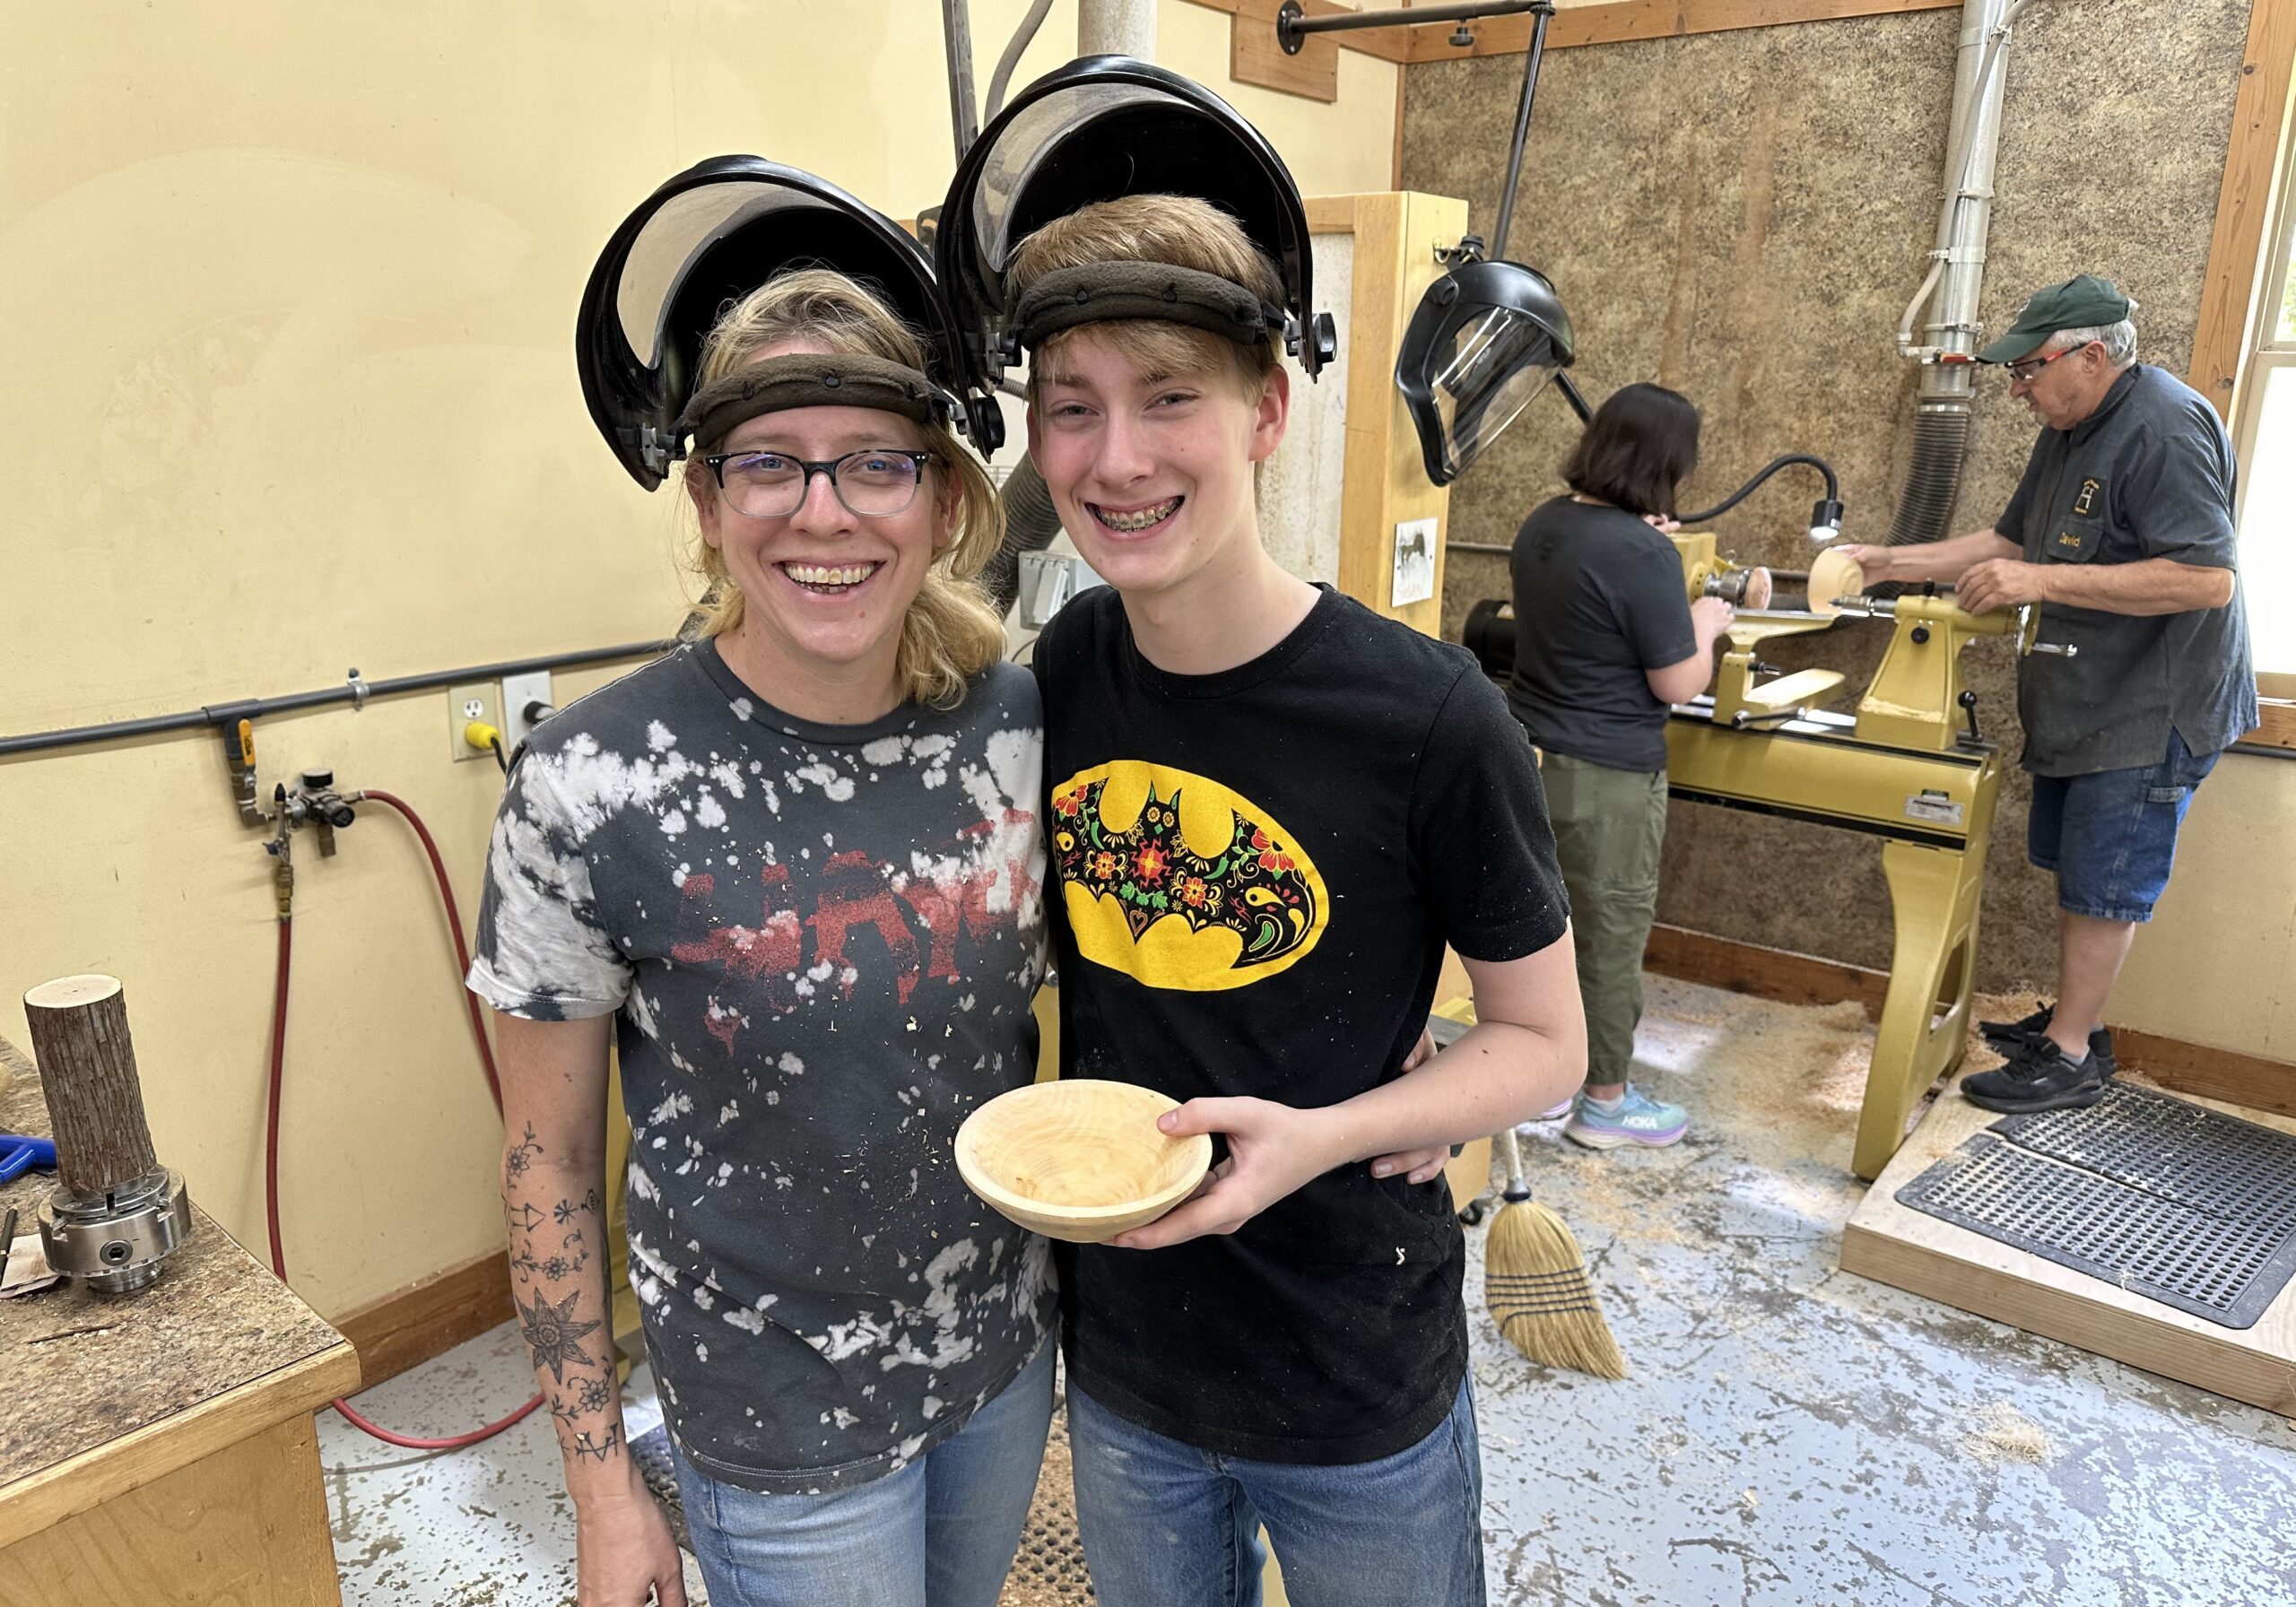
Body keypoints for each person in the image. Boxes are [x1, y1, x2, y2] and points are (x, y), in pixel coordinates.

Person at [1010, 189, 1587, 1606]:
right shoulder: (1073, 664)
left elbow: (1544, 1045)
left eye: (1168, 398)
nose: (1119, 456)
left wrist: (1331, 1134)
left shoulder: (1429, 717)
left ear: (1268, 410)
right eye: (1072, 407)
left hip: (1349, 1367)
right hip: (1130, 1356)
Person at [469, 257, 1057, 1606]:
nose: (823, 511)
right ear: (705, 498)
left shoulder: (1019, 728)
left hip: (1001, 1363)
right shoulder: (591, 783)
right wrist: (604, 1488)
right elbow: (545, 1162)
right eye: (768, 465)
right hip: (772, 1412)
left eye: (875, 464)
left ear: (945, 495)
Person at [1838, 274, 2255, 1115]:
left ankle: (2070, 1058)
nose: (2019, 390)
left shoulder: (2164, 427)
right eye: (2014, 375)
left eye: (2028, 370)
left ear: (2092, 356)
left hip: (2153, 706)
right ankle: (2077, 1025)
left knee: (2105, 883)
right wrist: (1891, 561)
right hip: (2088, 696)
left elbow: (2206, 579)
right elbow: (2010, 539)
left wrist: (2037, 580)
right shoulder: (2069, 425)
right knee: (2078, 873)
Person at [1504, 383, 1735, 1150]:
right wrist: (1706, 622)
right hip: (1608, 779)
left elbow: (1594, 594)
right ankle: (1604, 1101)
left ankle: (1533, 1080)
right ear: (1666, 464)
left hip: (1531, 758)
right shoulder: (1644, 551)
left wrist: (1650, 549)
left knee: (1540, 932)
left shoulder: (1545, 524)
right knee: (1608, 935)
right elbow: (1678, 682)